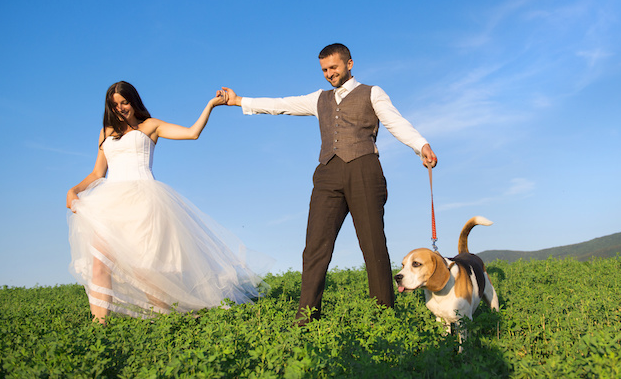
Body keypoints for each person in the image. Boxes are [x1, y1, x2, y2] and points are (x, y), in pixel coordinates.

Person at [220, 43, 437, 325]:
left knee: (372, 245)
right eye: (324, 70)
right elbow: (281, 105)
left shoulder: (372, 92)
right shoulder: (319, 98)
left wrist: (420, 145)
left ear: (349, 64)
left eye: (333, 67)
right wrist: (239, 101)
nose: (329, 74)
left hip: (364, 170)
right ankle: (306, 318)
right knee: (315, 246)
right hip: (328, 173)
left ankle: (383, 316)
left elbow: (396, 122)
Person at [66, 81, 272, 324]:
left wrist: (210, 105)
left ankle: (166, 320)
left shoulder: (150, 126)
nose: (120, 108)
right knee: (100, 265)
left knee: (144, 269)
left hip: (143, 201)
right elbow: (98, 173)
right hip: (108, 204)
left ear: (133, 101)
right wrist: (74, 190)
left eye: (124, 102)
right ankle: (98, 327)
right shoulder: (106, 132)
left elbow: (192, 133)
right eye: (115, 105)